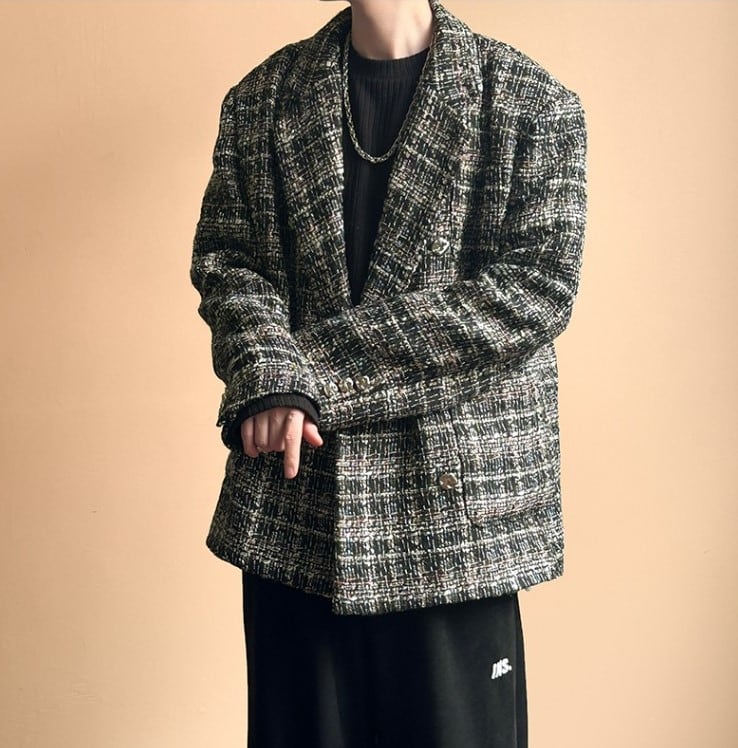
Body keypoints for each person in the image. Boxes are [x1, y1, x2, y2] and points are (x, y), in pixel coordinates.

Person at [190, 0, 587, 745]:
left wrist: (297, 376)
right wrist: (266, 368)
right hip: (299, 509)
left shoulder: (532, 104)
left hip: (456, 522)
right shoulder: (262, 100)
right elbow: (229, 263)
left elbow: (535, 290)